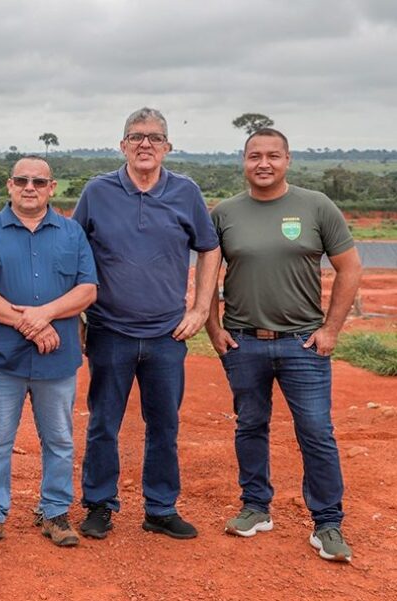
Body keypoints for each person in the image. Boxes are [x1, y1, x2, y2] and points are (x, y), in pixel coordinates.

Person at [206, 128, 362, 562]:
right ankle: (256, 508)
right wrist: (213, 330)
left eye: (273, 155)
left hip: (303, 345)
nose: (263, 164)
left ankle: (328, 523)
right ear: (243, 160)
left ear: (287, 160)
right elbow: (205, 276)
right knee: (250, 425)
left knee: (315, 432)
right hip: (244, 343)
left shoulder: (316, 206)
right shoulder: (225, 213)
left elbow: (349, 269)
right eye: (255, 155)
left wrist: (331, 330)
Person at [72, 108, 221, 540]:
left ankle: (160, 508)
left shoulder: (186, 192)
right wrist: (76, 315)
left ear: (167, 147)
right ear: (122, 145)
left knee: (164, 425)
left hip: (166, 335)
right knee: (103, 422)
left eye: (155, 138)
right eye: (136, 137)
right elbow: (74, 251)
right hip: (109, 331)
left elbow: (209, 248)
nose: (145, 145)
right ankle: (99, 504)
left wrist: (200, 308)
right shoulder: (97, 192)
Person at [0, 158, 97, 550]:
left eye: (39, 181)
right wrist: (30, 325)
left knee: (58, 438)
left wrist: (45, 315)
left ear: (52, 187)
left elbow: (87, 290)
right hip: (3, 358)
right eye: (21, 180)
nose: (29, 187)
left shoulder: (71, 232)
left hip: (58, 359)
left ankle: (54, 512)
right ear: (9, 185)